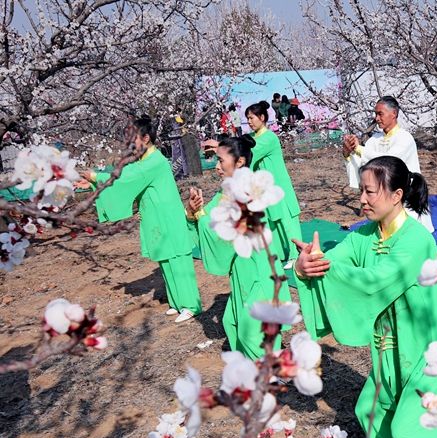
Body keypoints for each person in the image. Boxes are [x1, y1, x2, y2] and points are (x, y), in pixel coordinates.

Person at [294, 156, 437, 438]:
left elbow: (376, 282)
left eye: (370, 191)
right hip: (389, 347)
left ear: (397, 195)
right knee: (370, 411)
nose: (362, 199)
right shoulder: (366, 235)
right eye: (361, 190)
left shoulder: (416, 240)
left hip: (426, 348)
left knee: (408, 426)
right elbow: (337, 258)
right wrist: (309, 264)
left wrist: (324, 272)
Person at [81, 116, 201, 322]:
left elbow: (127, 177)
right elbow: (130, 179)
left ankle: (191, 304)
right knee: (165, 259)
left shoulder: (154, 161)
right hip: (158, 218)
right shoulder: (145, 162)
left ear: (145, 138)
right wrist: (95, 184)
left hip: (169, 218)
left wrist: (96, 177)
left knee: (178, 259)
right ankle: (177, 302)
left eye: (133, 140)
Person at [186, 135, 291, 358]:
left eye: (221, 161)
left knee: (251, 332)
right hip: (242, 271)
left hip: (257, 270)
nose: (216, 167)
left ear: (240, 162)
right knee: (232, 322)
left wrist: (201, 215)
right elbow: (208, 220)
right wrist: (193, 212)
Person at [204, 101, 303, 267]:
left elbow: (248, 153)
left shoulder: (269, 138)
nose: (249, 121)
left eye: (252, 117)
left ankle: (296, 254)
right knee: (272, 220)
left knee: (287, 222)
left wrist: (220, 147)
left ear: (262, 117)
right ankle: (279, 254)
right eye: (247, 118)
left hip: (279, 186)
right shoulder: (254, 139)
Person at [342, 96, 433, 232]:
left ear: (394, 114)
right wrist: (348, 153)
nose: (377, 118)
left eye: (380, 114)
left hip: (404, 197)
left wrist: (359, 149)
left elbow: (390, 162)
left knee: (408, 233)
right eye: (376, 114)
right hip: (384, 198)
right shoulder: (374, 139)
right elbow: (365, 166)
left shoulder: (405, 138)